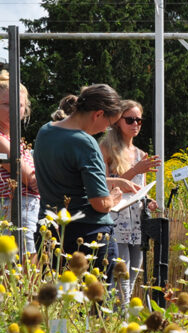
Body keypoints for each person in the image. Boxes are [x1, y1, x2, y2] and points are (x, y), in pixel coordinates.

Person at [33, 84, 138, 274]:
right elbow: (99, 203)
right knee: (95, 302)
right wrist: (113, 198)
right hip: (87, 235)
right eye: (108, 123)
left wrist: (114, 181)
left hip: (49, 230)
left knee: (57, 299)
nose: (105, 130)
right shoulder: (85, 142)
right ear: (98, 114)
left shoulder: (45, 131)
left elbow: (68, 177)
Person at [99, 100, 160, 305]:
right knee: (121, 275)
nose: (135, 124)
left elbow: (136, 188)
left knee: (134, 272)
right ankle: (121, 319)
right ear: (118, 122)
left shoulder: (141, 154)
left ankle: (119, 317)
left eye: (139, 120)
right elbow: (102, 185)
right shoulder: (106, 148)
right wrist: (136, 170)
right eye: (130, 120)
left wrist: (148, 200)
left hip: (137, 222)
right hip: (116, 219)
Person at [0, 70, 40, 259]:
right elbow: (26, 175)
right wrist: (35, 178)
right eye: (7, 104)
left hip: (24, 207)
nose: (15, 110)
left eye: (20, 105)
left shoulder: (15, 139)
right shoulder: (1, 139)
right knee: (24, 265)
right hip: (13, 207)